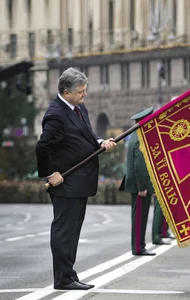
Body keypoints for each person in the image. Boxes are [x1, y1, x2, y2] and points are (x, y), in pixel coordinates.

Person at [35, 67, 116, 290]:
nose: (84, 94)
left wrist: (100, 143)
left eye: (84, 90)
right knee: (64, 231)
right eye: (80, 91)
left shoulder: (78, 109)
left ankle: (69, 274)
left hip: (79, 183)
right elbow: (42, 147)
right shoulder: (56, 114)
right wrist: (51, 174)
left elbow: (87, 135)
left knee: (73, 232)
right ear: (66, 91)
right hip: (66, 183)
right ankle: (63, 278)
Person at [124, 107, 158, 255]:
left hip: (138, 184)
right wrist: (142, 186)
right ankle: (138, 247)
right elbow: (140, 165)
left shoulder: (135, 135)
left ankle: (139, 246)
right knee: (139, 217)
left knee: (140, 216)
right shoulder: (142, 137)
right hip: (140, 185)